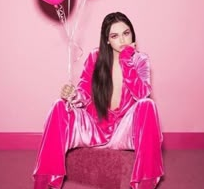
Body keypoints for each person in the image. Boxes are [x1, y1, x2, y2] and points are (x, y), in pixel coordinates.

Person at [33, 12, 164, 189]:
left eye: (126, 33)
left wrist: (126, 60)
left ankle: (144, 185)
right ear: (107, 40)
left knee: (148, 105)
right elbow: (84, 93)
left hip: (123, 133)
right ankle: (45, 183)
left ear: (132, 34)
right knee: (59, 105)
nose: (123, 40)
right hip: (94, 128)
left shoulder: (140, 60)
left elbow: (142, 94)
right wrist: (73, 95)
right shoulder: (95, 57)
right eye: (115, 36)